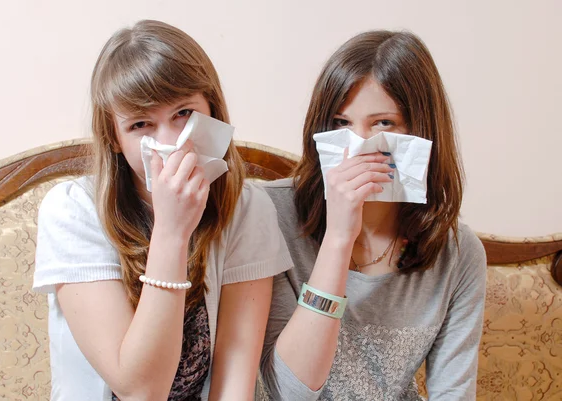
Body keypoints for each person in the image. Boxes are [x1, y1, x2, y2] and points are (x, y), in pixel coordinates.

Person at [33, 20, 292, 401]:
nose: (170, 143)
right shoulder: (72, 212)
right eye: (141, 125)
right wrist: (172, 231)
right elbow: (141, 390)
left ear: (212, 111)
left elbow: (234, 384)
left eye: (184, 113)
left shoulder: (246, 209)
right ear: (115, 140)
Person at [260, 30, 487, 400]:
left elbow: (454, 392)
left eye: (383, 124)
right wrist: (337, 238)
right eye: (340, 123)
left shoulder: (459, 255)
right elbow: (289, 392)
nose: (358, 147)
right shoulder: (270, 215)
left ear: (421, 130)